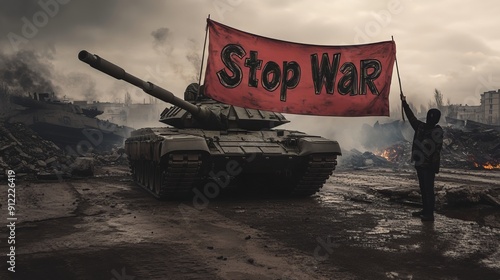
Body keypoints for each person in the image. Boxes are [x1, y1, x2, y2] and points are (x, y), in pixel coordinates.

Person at [401, 93, 443, 222]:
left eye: (432, 117)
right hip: (420, 164)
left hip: (429, 166)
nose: (430, 119)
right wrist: (404, 103)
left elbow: (434, 150)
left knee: (428, 189)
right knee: (423, 188)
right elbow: (411, 117)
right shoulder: (421, 127)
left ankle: (429, 214)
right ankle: (425, 210)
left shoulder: (437, 131)